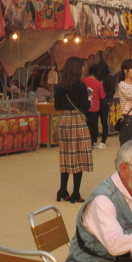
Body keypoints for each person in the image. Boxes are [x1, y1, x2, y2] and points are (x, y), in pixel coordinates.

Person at [53, 57, 93, 204]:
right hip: (77, 121)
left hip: (64, 121)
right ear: (77, 69)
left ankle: (63, 190)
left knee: (66, 156)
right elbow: (85, 107)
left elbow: (57, 106)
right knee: (79, 156)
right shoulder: (81, 86)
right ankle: (76, 192)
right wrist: (89, 98)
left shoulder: (59, 87)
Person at [83, 64, 106, 149]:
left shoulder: (82, 80)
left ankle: (84, 142)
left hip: (84, 106)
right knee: (93, 126)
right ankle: (92, 142)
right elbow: (102, 96)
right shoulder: (99, 83)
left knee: (85, 125)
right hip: (95, 107)